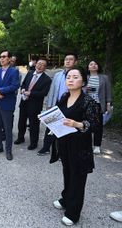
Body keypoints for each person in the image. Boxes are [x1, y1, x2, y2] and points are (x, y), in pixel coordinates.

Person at [52, 66, 101, 226]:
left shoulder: (89, 101)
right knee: (67, 173)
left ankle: (73, 213)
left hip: (80, 147)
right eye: (68, 77)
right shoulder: (65, 97)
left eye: (75, 77)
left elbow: (95, 124)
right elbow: (58, 115)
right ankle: (66, 199)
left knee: (78, 179)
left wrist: (77, 124)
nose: (70, 80)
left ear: (83, 81)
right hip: (65, 144)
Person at [37, 53, 78, 156]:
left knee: (66, 128)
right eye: (66, 59)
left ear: (76, 62)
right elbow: (52, 90)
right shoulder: (58, 75)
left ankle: (62, 152)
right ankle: (46, 148)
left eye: (70, 59)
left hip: (70, 104)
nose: (68, 61)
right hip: (57, 103)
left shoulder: (78, 75)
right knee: (50, 126)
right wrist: (49, 104)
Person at [0, 50, 20, 161]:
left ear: (9, 59)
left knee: (7, 128)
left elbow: (15, 85)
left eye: (4, 57)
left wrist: (0, 91)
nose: (1, 59)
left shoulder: (14, 71)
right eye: (0, 57)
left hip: (7, 104)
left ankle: (8, 150)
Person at [14, 58, 51, 150]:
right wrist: (22, 89)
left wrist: (30, 93)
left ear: (45, 67)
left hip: (35, 105)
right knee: (21, 122)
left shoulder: (47, 79)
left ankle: (33, 143)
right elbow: (23, 84)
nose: (39, 66)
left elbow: (44, 93)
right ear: (35, 64)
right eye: (38, 63)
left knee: (34, 124)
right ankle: (20, 138)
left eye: (42, 64)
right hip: (24, 102)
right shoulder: (30, 73)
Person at [86, 60, 112, 154]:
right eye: (91, 64)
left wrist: (108, 103)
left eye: (95, 64)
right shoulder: (85, 77)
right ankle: (86, 145)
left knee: (98, 126)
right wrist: (90, 88)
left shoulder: (104, 78)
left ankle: (97, 146)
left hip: (99, 104)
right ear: (88, 67)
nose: (93, 65)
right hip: (87, 104)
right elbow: (82, 89)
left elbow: (108, 91)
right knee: (86, 124)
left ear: (98, 66)